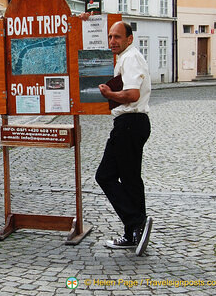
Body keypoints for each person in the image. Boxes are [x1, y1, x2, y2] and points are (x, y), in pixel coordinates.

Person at [96, 21, 153, 256]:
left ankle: (136, 221)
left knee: (105, 175)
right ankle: (133, 234)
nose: (112, 41)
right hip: (133, 123)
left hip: (129, 123)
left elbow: (132, 94)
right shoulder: (125, 58)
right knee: (130, 179)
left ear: (129, 39)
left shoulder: (131, 58)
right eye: (110, 37)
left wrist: (109, 94)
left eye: (117, 37)